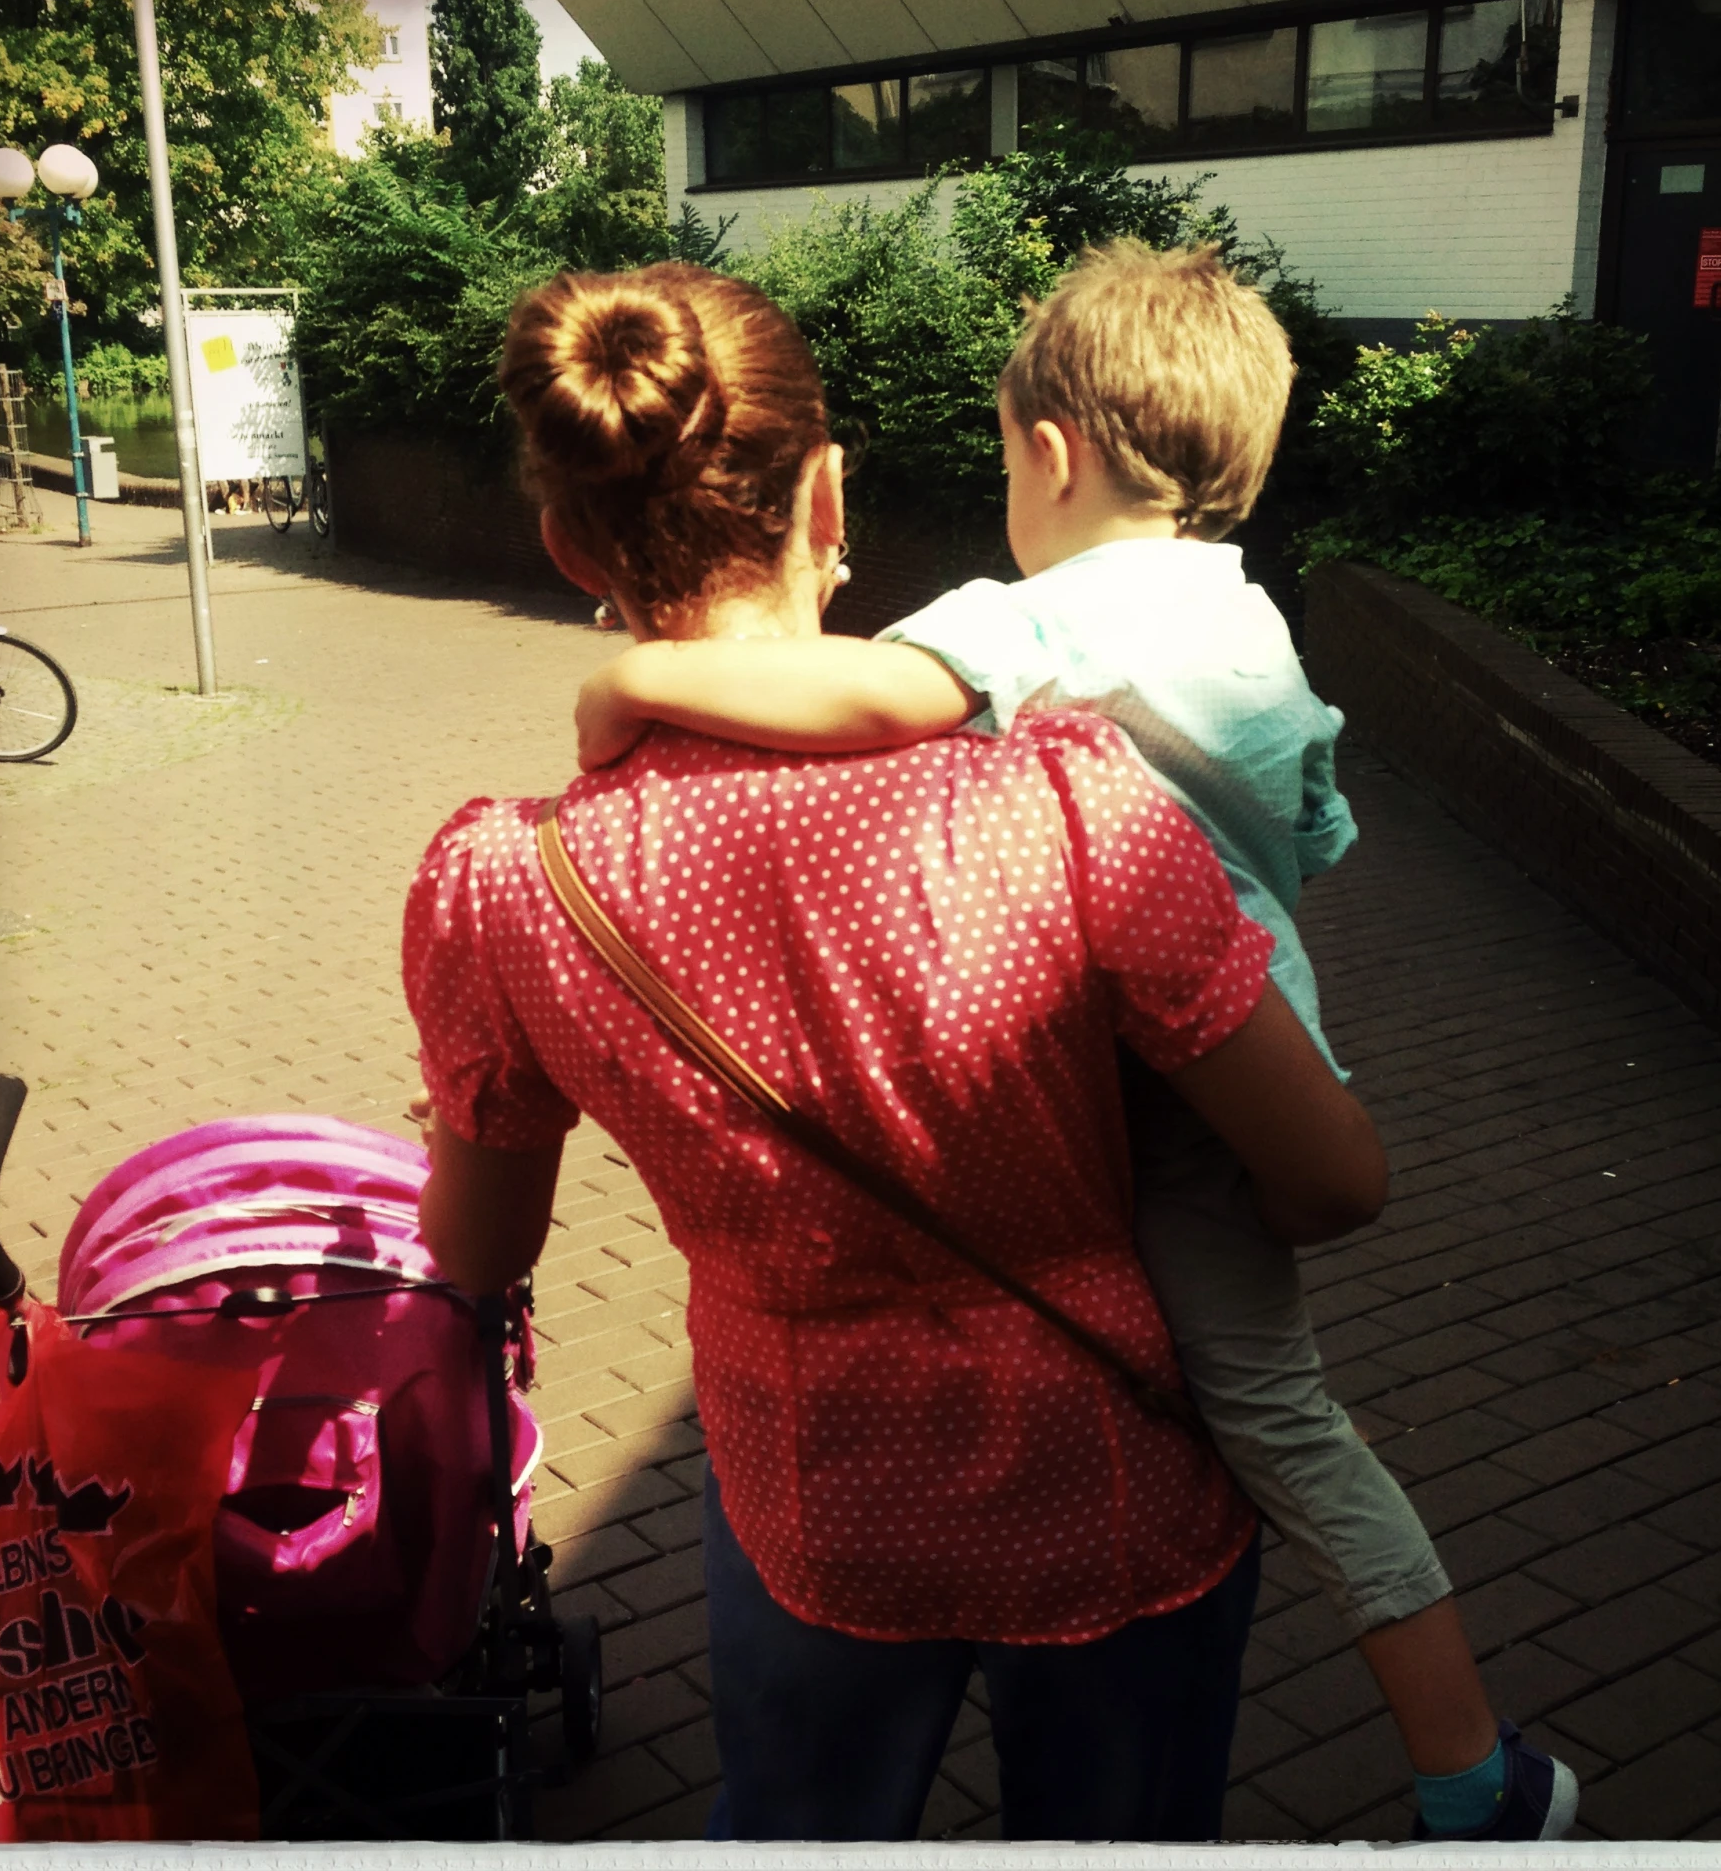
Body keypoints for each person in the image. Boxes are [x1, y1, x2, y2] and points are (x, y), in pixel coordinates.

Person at [569, 241, 1579, 1845]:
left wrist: (635, 681)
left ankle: (1475, 1775)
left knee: (1273, 1420)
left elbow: (874, 701)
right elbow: (1318, 830)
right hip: (1260, 1043)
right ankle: (1466, 1757)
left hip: (1167, 1101)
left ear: (1050, 453)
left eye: (1002, 459)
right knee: (1279, 1408)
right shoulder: (1256, 620)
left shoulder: (1037, 616)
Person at [402, 259, 1390, 1842]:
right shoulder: (1069, 801)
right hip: (1114, 1469)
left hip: (808, 1490)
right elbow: (1336, 1180)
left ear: (569, 544)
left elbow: (482, 1245)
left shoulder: (507, 886)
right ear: (828, 497)